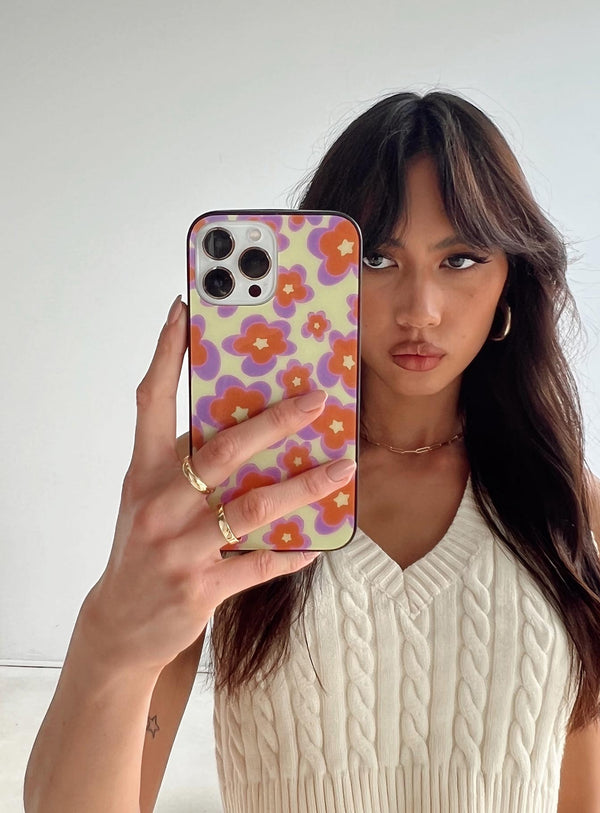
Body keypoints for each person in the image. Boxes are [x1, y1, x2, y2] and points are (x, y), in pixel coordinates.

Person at [24, 91, 600, 813]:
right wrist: (111, 636)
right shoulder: (232, 490)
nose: (420, 309)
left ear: (512, 277)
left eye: (460, 259)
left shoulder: (564, 504)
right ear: (321, 271)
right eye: (377, 257)